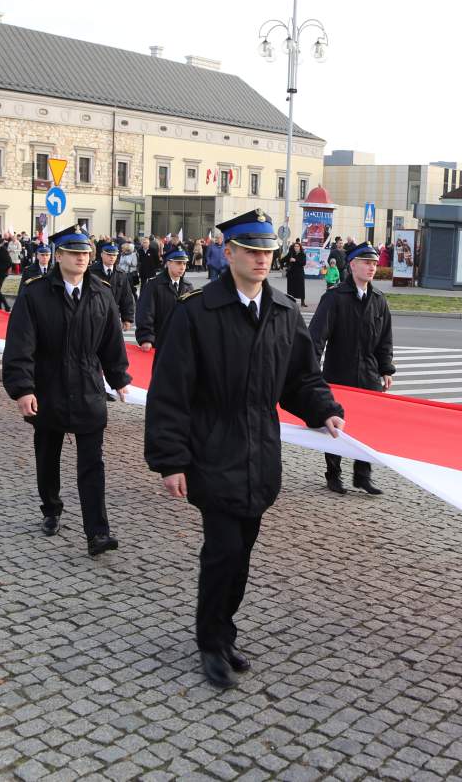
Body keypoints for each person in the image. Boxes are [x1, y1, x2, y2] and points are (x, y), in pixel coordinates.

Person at [145, 210, 345, 689]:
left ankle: (224, 629)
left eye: (267, 252)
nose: (261, 259)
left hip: (260, 454)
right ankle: (210, 641)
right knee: (223, 551)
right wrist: (171, 460)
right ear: (227, 252)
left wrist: (323, 409)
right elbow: (170, 391)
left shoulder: (283, 311)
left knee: (242, 554)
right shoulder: (196, 313)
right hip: (211, 452)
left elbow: (300, 377)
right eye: (251, 251)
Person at [3, 224, 132, 557]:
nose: (81, 258)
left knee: (93, 463)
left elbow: (111, 339)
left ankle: (97, 532)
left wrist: (118, 377)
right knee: (48, 457)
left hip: (88, 389)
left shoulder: (101, 292)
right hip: (48, 389)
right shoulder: (35, 293)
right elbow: (20, 345)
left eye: (85, 253)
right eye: (74, 253)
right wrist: (23, 389)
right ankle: (51, 508)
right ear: (58, 256)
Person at [308, 241, 395, 497]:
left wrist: (386, 369)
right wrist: (312, 371)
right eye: (367, 262)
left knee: (368, 426)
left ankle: (363, 475)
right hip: (339, 372)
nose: (372, 267)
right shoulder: (334, 298)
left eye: (375, 264)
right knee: (336, 426)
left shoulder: (379, 300)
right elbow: (316, 337)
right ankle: (333, 474)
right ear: (353, 265)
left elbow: (385, 339)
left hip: (369, 375)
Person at [136, 248, 193, 350]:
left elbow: (192, 315)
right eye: (179, 263)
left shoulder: (188, 286)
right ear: (169, 263)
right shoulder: (154, 285)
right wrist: (146, 338)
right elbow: (145, 312)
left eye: (184, 264)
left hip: (182, 341)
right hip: (160, 341)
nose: (182, 267)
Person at [91, 243, 136, 331]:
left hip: (113, 317)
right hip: (94, 316)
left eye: (114, 255)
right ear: (102, 255)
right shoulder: (91, 272)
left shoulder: (121, 274)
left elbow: (126, 297)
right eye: (109, 255)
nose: (112, 257)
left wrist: (127, 318)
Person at [284, 239, 307, 308]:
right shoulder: (291, 254)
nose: (296, 247)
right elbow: (283, 259)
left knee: (301, 288)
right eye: (295, 246)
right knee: (291, 288)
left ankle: (302, 302)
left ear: (300, 247)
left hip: (299, 274)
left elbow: (303, 263)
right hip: (291, 274)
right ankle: (290, 302)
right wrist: (283, 266)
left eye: (297, 246)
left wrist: (295, 260)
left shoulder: (302, 254)